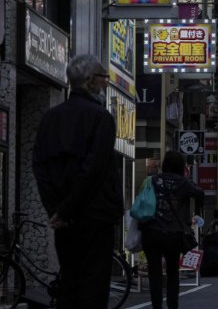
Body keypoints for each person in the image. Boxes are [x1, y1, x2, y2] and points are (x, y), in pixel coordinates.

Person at [31, 54, 122, 309]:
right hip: (96, 214)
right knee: (94, 284)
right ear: (90, 81)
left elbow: (39, 165)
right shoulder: (101, 117)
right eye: (103, 78)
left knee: (69, 282)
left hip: (64, 219)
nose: (105, 83)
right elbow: (93, 169)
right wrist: (67, 208)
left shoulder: (51, 117)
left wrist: (57, 210)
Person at [140, 151, 204, 309]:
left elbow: (141, 199)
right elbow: (200, 194)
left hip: (151, 232)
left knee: (154, 273)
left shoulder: (152, 180)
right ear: (181, 167)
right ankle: (172, 305)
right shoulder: (182, 182)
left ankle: (156, 306)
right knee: (172, 271)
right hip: (173, 233)